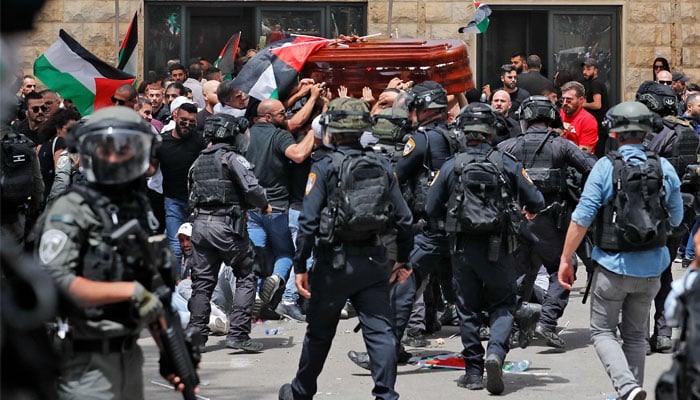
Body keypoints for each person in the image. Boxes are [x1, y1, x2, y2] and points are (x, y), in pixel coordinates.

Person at [36, 106, 193, 399]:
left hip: (129, 356)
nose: (114, 157)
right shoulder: (72, 209)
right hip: (84, 363)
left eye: (124, 148)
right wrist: (128, 291)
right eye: (104, 149)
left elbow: (153, 292)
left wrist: (171, 354)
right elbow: (52, 280)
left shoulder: (137, 210)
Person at [278, 97, 413, 400]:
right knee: (380, 333)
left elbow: (309, 222)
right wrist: (402, 260)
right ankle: (386, 395)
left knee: (319, 334)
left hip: (332, 265)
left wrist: (300, 266)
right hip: (375, 262)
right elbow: (404, 219)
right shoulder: (381, 164)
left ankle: (300, 393)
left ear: (332, 131)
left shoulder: (324, 166)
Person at [558, 101, 683, 400]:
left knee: (602, 332)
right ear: (647, 131)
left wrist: (565, 259)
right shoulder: (663, 168)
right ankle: (632, 391)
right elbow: (677, 219)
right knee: (636, 336)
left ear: (614, 132)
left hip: (612, 268)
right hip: (653, 268)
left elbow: (582, 219)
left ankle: (627, 388)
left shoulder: (605, 167)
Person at [426, 102, 544, 394]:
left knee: (466, 309)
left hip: (462, 248)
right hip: (500, 248)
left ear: (464, 133)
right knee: (503, 304)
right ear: (491, 131)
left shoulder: (452, 165)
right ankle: (496, 353)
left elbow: (430, 206)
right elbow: (537, 201)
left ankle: (474, 373)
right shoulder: (507, 162)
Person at [498, 96, 596, 348]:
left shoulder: (508, 146)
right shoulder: (561, 146)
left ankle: (510, 326)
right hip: (550, 220)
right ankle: (547, 322)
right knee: (565, 267)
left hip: (517, 220)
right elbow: (591, 168)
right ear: (552, 118)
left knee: (519, 273)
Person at [187, 113, 270, 352]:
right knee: (246, 274)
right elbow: (253, 189)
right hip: (226, 226)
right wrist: (263, 205)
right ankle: (239, 334)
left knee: (202, 283)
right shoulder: (231, 158)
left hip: (200, 225)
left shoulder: (197, 161)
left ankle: (196, 336)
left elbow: (190, 195)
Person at [244, 98, 315, 317]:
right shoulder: (279, 135)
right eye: (282, 114)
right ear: (268, 117)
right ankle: (278, 282)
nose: (286, 117)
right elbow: (298, 154)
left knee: (257, 253)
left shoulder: (245, 134)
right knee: (284, 252)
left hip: (250, 207)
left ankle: (253, 296)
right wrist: (314, 131)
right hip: (276, 207)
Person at [149, 96, 206, 274]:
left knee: (197, 242)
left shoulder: (200, 141)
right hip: (172, 199)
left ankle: (195, 280)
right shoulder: (161, 142)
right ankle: (175, 283)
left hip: (196, 201)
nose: (187, 125)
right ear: (175, 117)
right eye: (184, 121)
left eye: (191, 122)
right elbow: (151, 169)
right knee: (175, 242)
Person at [580, 58, 610, 157]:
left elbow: (597, 104)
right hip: (598, 127)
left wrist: (583, 104)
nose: (585, 72)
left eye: (588, 69)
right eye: (584, 69)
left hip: (598, 127)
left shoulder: (596, 84)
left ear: (595, 70)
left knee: (596, 156)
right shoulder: (594, 84)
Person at [559, 80, 598, 153]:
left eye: (569, 100)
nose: (564, 103)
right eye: (562, 99)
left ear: (581, 100)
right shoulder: (560, 113)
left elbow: (583, 155)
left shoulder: (588, 120)